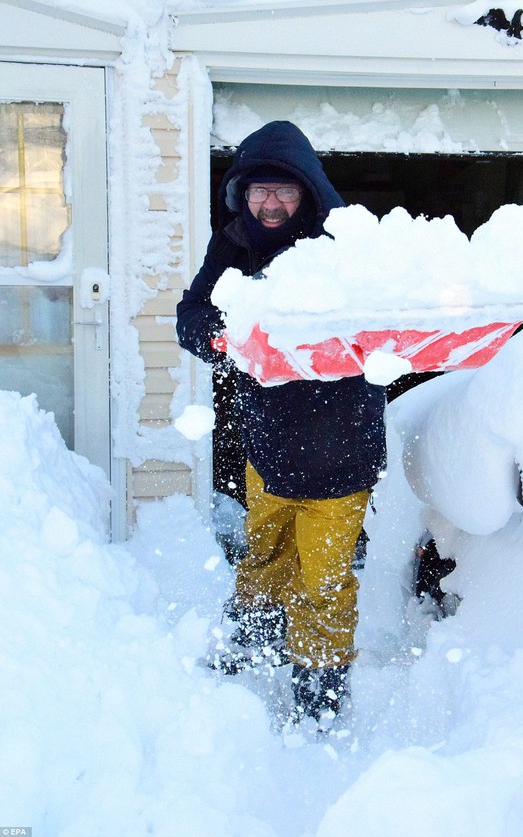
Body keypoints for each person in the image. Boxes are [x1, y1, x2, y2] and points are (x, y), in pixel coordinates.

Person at [176, 121, 387, 726]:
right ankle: (258, 638)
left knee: (323, 575)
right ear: (241, 194)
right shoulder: (234, 243)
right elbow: (193, 310)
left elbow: (394, 320)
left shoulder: (345, 245)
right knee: (265, 552)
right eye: (258, 191)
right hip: (267, 442)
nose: (270, 204)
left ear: (308, 193)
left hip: (342, 446)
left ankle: (319, 686)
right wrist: (212, 335)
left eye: (284, 193)